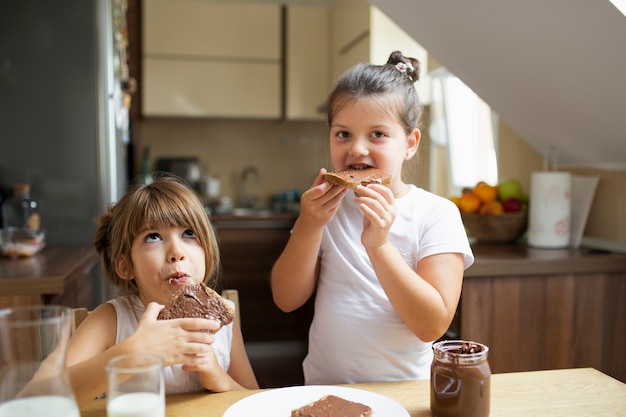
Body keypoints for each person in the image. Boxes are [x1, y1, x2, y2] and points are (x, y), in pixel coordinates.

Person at [271, 51, 474, 385]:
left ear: (410, 143)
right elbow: (286, 299)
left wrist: (378, 245)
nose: (357, 149)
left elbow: (431, 326)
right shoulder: (325, 209)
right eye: (343, 133)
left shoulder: (437, 214)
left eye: (377, 134)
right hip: (325, 388)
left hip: (406, 392)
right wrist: (309, 225)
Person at [66, 175, 258, 406]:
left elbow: (255, 400)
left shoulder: (223, 315)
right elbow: (48, 397)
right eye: (153, 237)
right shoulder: (112, 320)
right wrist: (132, 355)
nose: (176, 252)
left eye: (189, 233)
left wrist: (219, 378)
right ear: (126, 266)